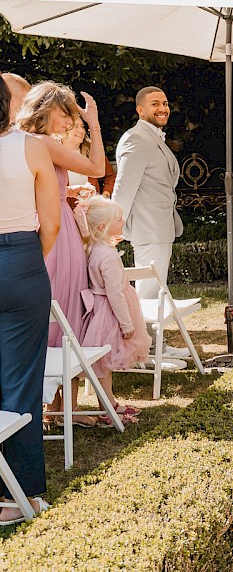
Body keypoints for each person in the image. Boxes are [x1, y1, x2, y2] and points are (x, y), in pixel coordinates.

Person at [17, 81, 107, 426]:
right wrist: (94, 123)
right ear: (45, 109)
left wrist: (65, 190)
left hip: (48, 225)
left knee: (62, 309)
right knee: (62, 310)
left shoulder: (21, 140)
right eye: (65, 112)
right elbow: (97, 168)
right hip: (54, 232)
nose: (70, 121)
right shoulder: (42, 143)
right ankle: (57, 405)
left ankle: (57, 406)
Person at [0, 77, 59, 524]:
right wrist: (26, 263)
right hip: (20, 258)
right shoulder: (33, 147)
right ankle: (16, 497)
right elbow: (51, 224)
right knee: (21, 380)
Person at [75, 195, 148, 425]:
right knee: (106, 364)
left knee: (104, 363)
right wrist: (127, 324)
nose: (122, 221)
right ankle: (107, 408)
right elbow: (115, 294)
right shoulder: (107, 255)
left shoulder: (94, 250)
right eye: (118, 219)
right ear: (102, 227)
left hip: (99, 310)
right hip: (110, 313)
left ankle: (109, 403)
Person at [112, 87, 183, 299]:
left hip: (159, 228)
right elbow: (124, 187)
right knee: (148, 293)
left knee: (156, 290)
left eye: (165, 103)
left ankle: (151, 323)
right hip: (148, 227)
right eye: (155, 104)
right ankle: (144, 323)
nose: (162, 108)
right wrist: (114, 225)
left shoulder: (151, 137)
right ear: (140, 110)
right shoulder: (136, 138)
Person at [60, 114, 116, 198]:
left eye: (82, 126)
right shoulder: (53, 153)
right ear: (63, 129)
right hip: (63, 205)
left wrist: (104, 195)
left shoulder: (92, 151)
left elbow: (110, 176)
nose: (81, 130)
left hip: (92, 204)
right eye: (76, 126)